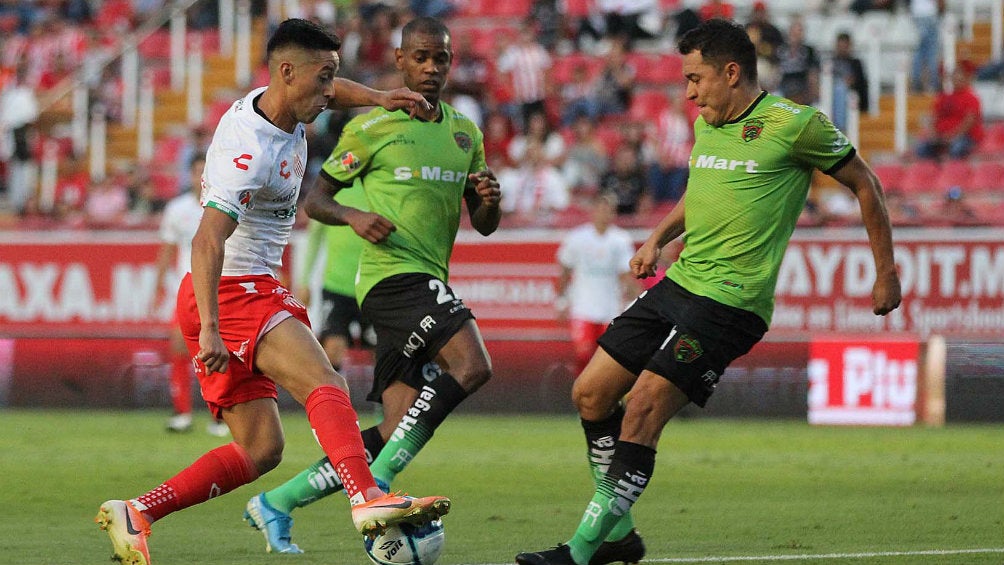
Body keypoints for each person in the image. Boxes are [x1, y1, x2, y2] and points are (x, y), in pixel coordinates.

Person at [515, 18, 902, 565]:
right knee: (590, 393)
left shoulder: (796, 125)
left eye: (696, 79)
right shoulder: (707, 125)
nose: (689, 92)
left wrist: (885, 271)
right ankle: (619, 534)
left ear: (732, 72)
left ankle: (581, 553)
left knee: (643, 407)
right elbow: (700, 195)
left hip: (732, 302)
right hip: (681, 282)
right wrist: (655, 239)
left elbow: (866, 181)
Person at [94, 18, 452, 565]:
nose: (331, 90)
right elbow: (207, 238)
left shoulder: (282, 101)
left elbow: (333, 94)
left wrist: (383, 98)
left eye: (334, 76)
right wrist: (211, 326)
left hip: (227, 296)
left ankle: (137, 512)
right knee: (324, 381)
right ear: (287, 72)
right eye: (324, 77)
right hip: (233, 293)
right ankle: (368, 498)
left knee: (261, 451)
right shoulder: (251, 149)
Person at [240, 16, 502, 555]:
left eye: (442, 59)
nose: (432, 68)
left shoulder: (464, 133)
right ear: (401, 61)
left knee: (395, 425)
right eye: (422, 58)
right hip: (391, 278)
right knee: (473, 365)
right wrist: (355, 218)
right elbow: (316, 200)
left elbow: (484, 221)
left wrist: (489, 200)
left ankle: (280, 501)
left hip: (429, 276)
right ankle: (376, 490)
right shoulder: (371, 127)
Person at [152, 154, 228, 436]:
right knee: (178, 346)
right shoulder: (177, 209)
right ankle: (182, 412)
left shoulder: (224, 205)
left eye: (204, 171)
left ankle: (219, 415)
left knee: (217, 350)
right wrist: (158, 286)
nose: (200, 176)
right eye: (196, 171)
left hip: (219, 285)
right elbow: (167, 250)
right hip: (186, 286)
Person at [556, 193, 638, 374]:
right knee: (583, 357)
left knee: (607, 360)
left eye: (608, 210)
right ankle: (581, 396)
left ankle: (606, 400)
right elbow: (565, 271)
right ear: (593, 211)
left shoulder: (620, 240)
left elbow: (625, 275)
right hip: (583, 309)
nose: (604, 214)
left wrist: (635, 302)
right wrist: (561, 301)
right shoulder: (577, 238)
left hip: (609, 310)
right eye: (600, 209)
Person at [915, 63, 983, 161]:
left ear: (966, 79)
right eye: (954, 76)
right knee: (922, 149)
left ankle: (954, 173)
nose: (956, 79)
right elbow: (932, 117)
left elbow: (969, 122)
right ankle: (933, 173)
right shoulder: (943, 97)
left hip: (964, 136)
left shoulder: (972, 98)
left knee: (957, 148)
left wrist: (951, 136)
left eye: (959, 76)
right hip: (941, 136)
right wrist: (933, 134)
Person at [830, 32, 869, 131]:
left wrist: (851, 82)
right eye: (840, 46)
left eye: (845, 46)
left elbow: (861, 84)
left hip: (848, 95)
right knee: (838, 88)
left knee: (841, 89)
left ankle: (841, 128)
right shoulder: (830, 62)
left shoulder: (856, 63)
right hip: (830, 93)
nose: (842, 49)